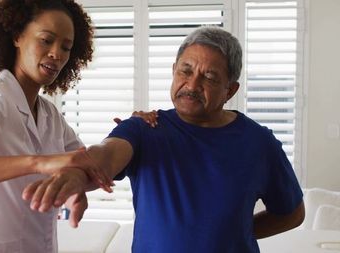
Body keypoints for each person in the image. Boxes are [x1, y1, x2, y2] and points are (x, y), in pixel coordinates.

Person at [22, 27, 306, 253]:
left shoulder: (259, 143)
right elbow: (108, 153)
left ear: (230, 90)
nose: (192, 85)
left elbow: (291, 213)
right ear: (173, 71)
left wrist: (236, 232)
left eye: (209, 77)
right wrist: (75, 172)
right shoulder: (146, 128)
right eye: (186, 70)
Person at [0, 0, 157, 252]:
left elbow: (89, 165)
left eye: (66, 47)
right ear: (17, 36)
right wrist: (38, 162)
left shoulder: (49, 114)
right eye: (46, 40)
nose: (57, 54)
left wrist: (132, 126)